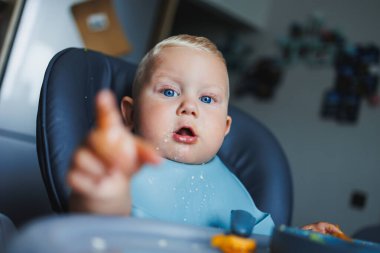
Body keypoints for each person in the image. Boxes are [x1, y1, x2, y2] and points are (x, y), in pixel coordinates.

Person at [67, 34, 346, 236]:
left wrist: (301, 237)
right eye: (169, 92)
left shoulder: (231, 187)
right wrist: (100, 201)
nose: (189, 107)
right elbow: (98, 229)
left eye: (208, 99)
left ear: (224, 129)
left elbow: (262, 243)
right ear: (129, 113)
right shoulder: (120, 167)